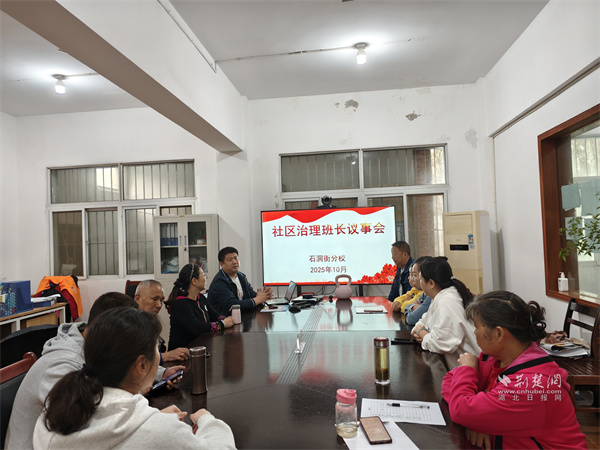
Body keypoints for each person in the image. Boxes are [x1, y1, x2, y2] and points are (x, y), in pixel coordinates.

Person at [33, 307, 236, 449]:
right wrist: (207, 421)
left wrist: (152, 419)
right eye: (156, 348)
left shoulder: (55, 412)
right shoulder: (160, 431)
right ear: (141, 365)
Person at [6, 292, 180, 449]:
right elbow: (78, 428)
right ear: (104, 327)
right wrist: (148, 421)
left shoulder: (95, 345)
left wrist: (160, 373)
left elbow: (121, 363)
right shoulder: (61, 366)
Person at [442, 291, 587, 449]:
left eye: (476, 327)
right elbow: (449, 382)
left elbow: (461, 410)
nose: (475, 333)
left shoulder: (531, 384)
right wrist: (476, 421)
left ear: (498, 334)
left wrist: (467, 369)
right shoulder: (497, 358)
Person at [411, 257, 479, 369]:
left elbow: (441, 344)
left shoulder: (447, 301)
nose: (419, 281)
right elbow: (420, 323)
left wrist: (422, 332)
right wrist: (422, 332)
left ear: (431, 283)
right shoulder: (440, 297)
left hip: (468, 370)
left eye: (420, 278)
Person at [167, 264, 235, 350]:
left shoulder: (201, 298)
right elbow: (197, 328)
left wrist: (224, 319)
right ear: (194, 281)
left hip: (201, 348)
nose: (206, 278)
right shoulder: (181, 303)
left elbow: (214, 315)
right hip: (182, 352)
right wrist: (223, 324)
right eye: (203, 275)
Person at [134, 279, 190, 362]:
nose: (159, 305)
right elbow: (137, 361)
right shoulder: (128, 325)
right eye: (154, 299)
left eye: (161, 301)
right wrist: (167, 356)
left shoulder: (149, 322)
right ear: (137, 299)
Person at [208, 246, 273, 316]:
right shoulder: (219, 281)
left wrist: (264, 296)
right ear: (221, 264)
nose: (234, 262)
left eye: (236, 258)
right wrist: (257, 300)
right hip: (224, 319)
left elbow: (250, 294)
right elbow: (233, 305)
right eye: (230, 260)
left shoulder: (241, 276)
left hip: (242, 317)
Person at [398, 256, 432, 326]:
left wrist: (412, 307)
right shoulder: (425, 293)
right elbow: (406, 308)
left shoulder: (431, 295)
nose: (412, 278)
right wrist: (413, 307)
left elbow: (411, 319)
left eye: (415, 275)